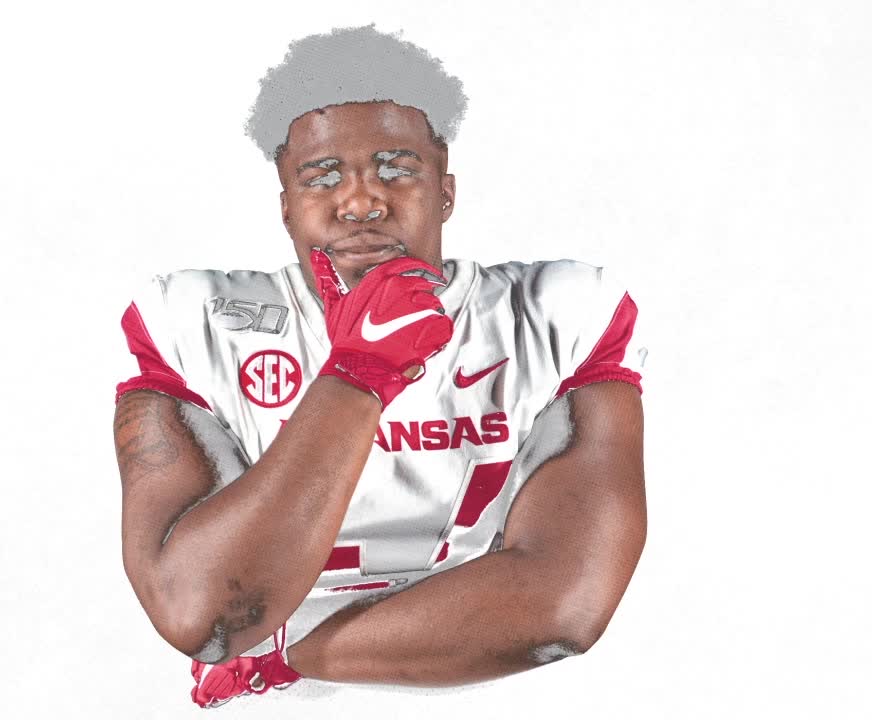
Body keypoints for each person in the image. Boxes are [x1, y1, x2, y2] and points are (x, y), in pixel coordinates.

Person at [112, 25, 648, 709]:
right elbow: (201, 615)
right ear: (285, 205)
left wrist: (281, 657)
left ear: (445, 191)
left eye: (396, 169)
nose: (362, 202)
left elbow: (564, 607)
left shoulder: (559, 311)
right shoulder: (194, 318)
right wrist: (361, 372)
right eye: (322, 176)